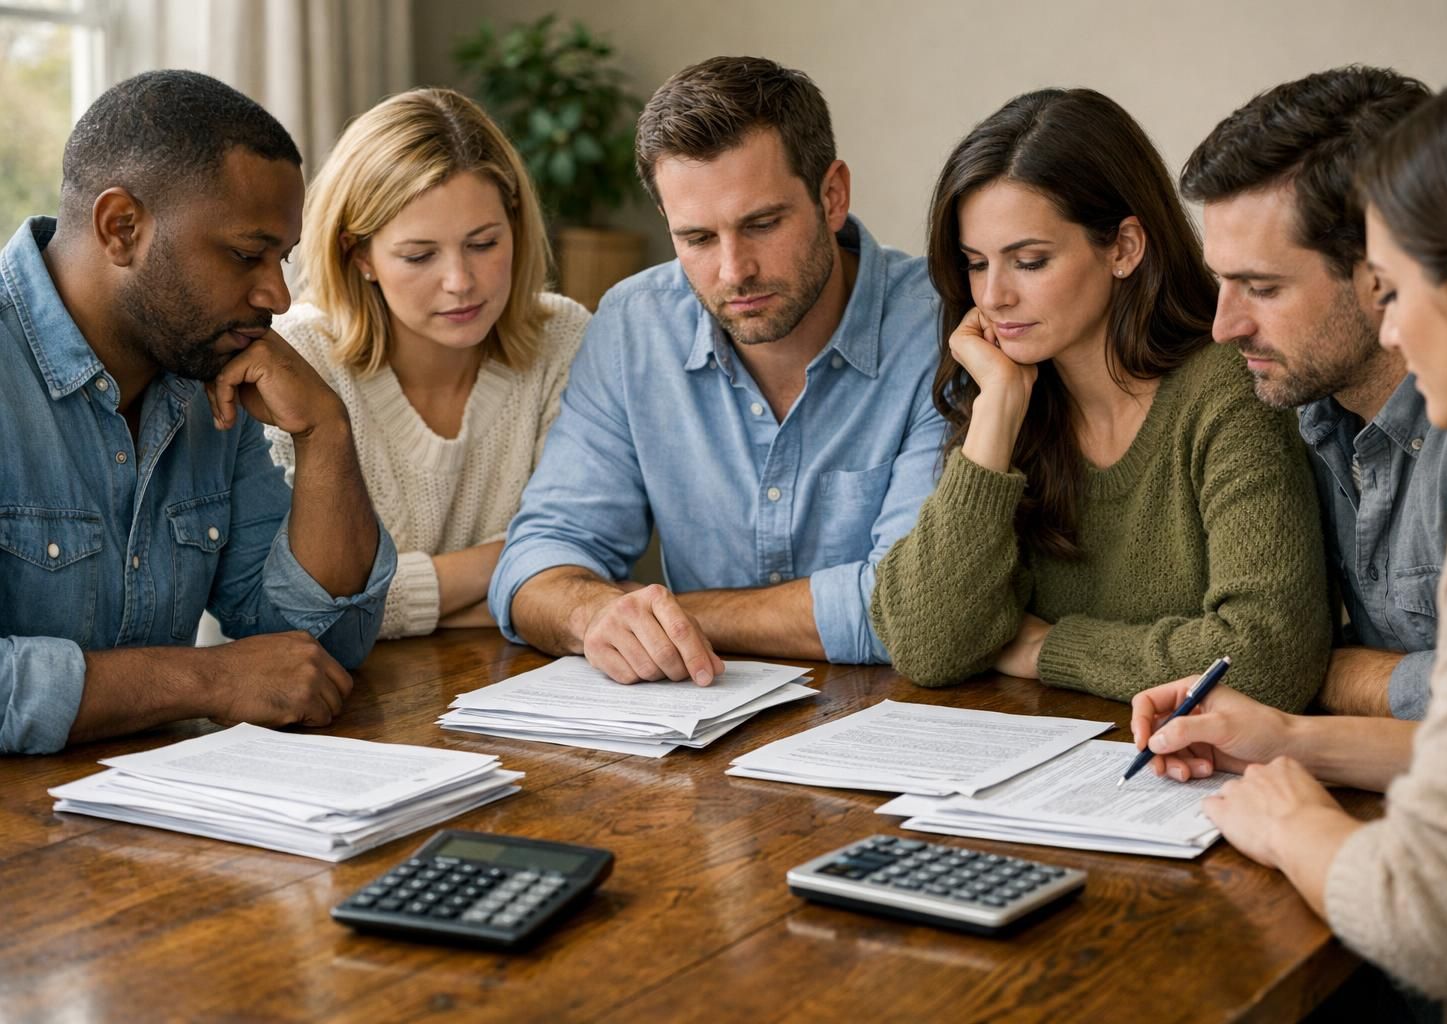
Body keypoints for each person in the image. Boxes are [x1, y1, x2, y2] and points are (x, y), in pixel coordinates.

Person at [1133, 53, 1447, 1023]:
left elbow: (1432, 911)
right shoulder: (1297, 414)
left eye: (1396, 287)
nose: (1223, 325)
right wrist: (1296, 738)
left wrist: (1296, 821)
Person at [867, 89, 1330, 710]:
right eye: (976, 264)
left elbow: (1264, 660)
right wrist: (996, 414)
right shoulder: (1016, 405)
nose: (995, 296)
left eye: (1029, 261)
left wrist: (1047, 649)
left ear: (1123, 248)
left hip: (1206, 784)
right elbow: (927, 647)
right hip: (1044, 774)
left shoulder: (1227, 394)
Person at [491, 55, 947, 685]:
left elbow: (913, 608)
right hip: (697, 736)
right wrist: (595, 612)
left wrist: (671, 616)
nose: (734, 271)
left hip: (910, 724)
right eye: (698, 239)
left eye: (762, 224)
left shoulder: (942, 325)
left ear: (833, 194)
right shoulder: (634, 325)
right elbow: (535, 563)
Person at [0, 70, 396, 755]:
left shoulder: (206, 371)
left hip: (155, 829)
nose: (276, 295)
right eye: (248, 255)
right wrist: (202, 680)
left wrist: (326, 434)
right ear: (121, 227)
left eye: (282, 258)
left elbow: (320, 651)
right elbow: (237, 677)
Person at [1180, 67, 1447, 721]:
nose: (1224, 327)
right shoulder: (1299, 404)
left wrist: (1330, 673)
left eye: (1262, 288)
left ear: (1380, 273)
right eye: (1222, 282)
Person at [266, 88, 589, 638]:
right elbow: (296, 611)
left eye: (484, 244)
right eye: (419, 255)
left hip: (517, 691)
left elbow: (587, 560)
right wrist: (519, 577)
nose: (460, 282)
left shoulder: (565, 339)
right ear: (359, 254)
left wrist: (381, 601)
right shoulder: (297, 360)